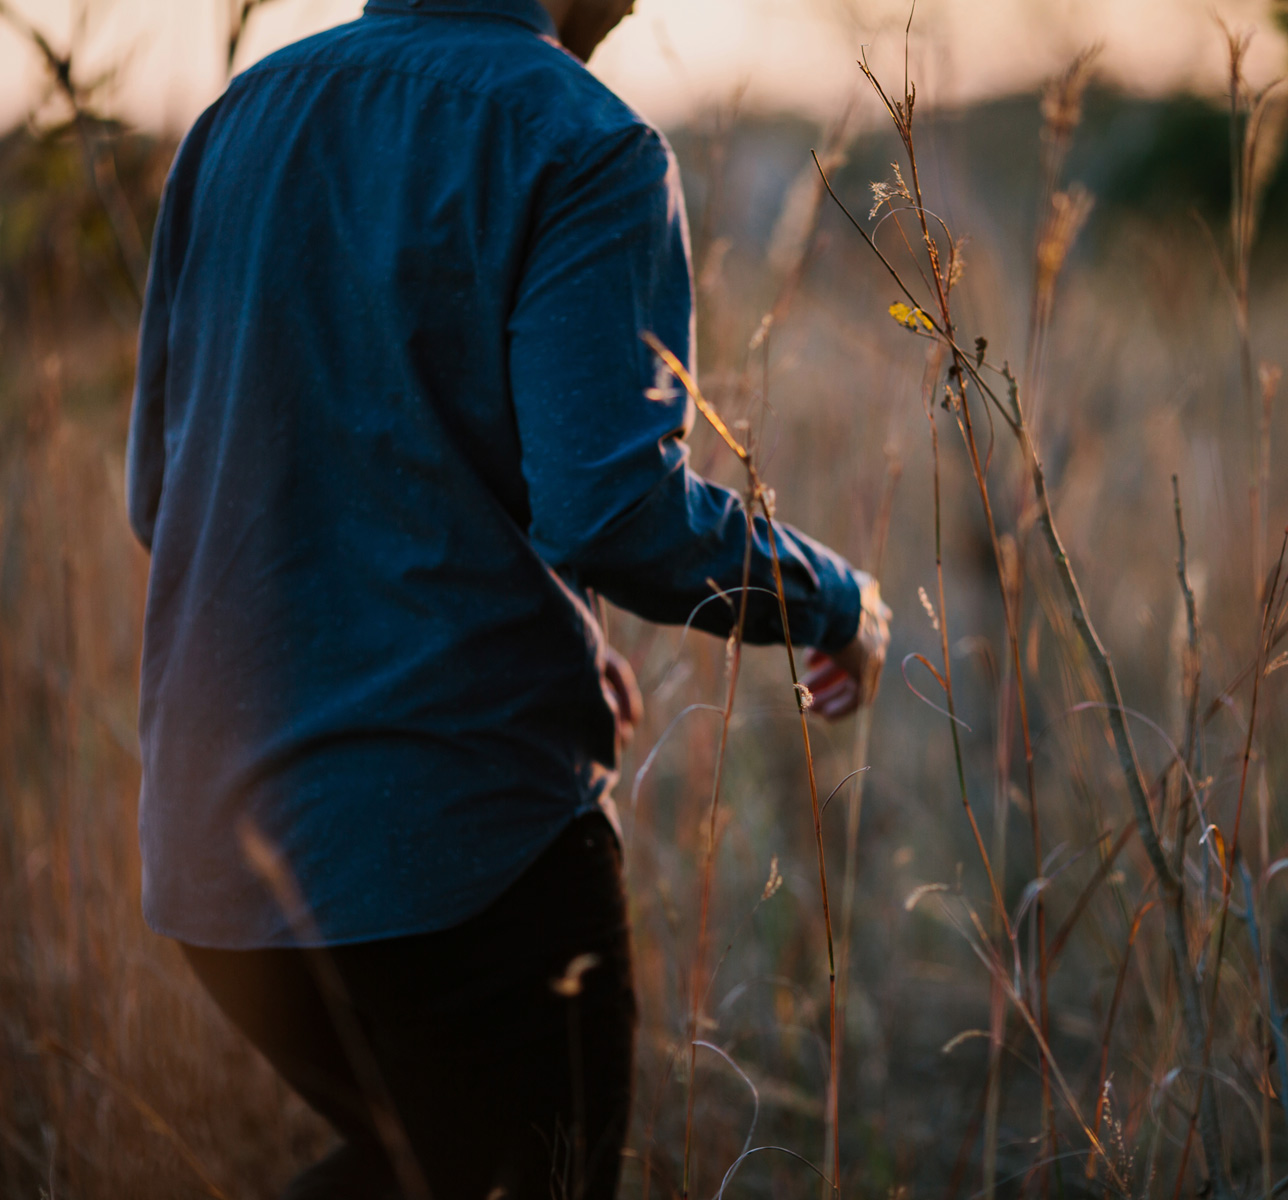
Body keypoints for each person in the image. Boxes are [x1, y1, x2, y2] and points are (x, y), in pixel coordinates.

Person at [125, 0, 890, 1196]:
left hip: (212, 873)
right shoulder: (581, 141)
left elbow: (164, 501)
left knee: (421, 1163)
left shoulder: (234, 123)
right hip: (461, 862)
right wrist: (833, 601)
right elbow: (614, 515)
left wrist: (526, 621)